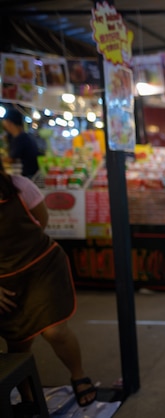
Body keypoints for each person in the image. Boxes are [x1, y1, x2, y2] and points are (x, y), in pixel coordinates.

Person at [0, 158, 97, 409]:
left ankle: (78, 374)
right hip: (6, 281)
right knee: (18, 340)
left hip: (42, 267)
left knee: (55, 330)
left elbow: (41, 221)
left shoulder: (19, 186)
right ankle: (29, 394)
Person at [2, 108, 41, 178]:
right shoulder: (26, 137)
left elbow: (11, 159)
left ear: (9, 122)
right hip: (29, 176)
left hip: (25, 177)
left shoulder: (20, 138)